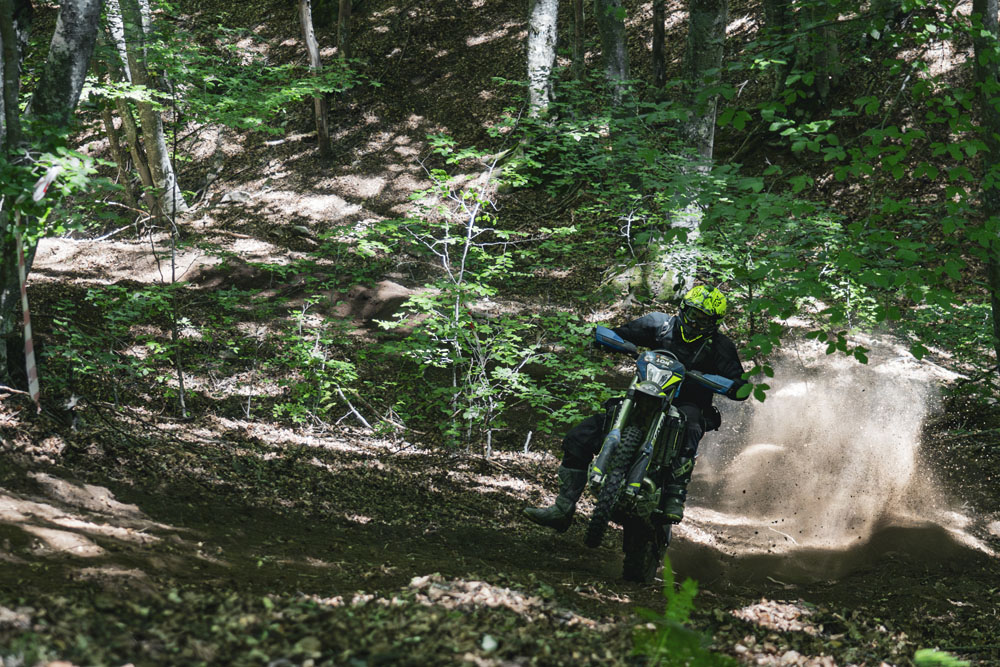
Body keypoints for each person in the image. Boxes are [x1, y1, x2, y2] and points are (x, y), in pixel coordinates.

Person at [523, 285, 749, 531]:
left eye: (704, 319)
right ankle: (562, 508)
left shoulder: (720, 346)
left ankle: (675, 494)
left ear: (714, 323)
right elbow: (620, 334)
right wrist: (609, 340)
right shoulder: (659, 324)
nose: (696, 322)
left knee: (692, 424)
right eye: (694, 314)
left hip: (687, 403)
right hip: (645, 394)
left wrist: (720, 383)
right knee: (580, 436)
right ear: (684, 309)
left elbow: (741, 385)